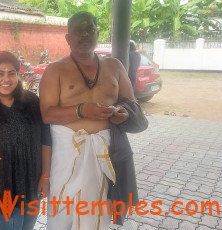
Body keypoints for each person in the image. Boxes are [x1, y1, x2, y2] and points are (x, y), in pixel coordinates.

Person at [39, 11, 146, 229]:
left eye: (90, 30)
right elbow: (47, 114)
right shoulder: (55, 70)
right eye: (79, 30)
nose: (85, 35)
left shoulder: (115, 66)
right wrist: (81, 110)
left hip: (105, 152)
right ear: (68, 38)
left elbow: (131, 104)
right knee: (62, 214)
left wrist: (123, 113)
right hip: (66, 155)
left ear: (98, 33)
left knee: (98, 215)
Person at [0, 51, 52, 230]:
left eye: (12, 73)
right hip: (0, 186)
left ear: (18, 76)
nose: (6, 79)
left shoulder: (32, 102)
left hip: (31, 182)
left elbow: (46, 140)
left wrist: (45, 176)